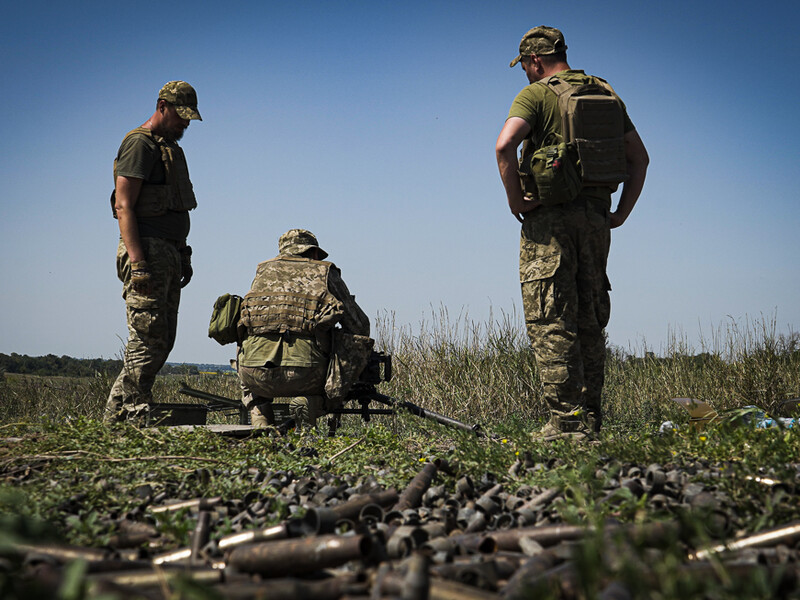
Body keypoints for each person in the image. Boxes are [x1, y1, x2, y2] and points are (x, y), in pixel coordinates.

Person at [495, 26, 649, 440]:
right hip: (597, 221)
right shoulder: (604, 92)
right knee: (589, 319)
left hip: (550, 220)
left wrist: (516, 202)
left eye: (525, 66)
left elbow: (504, 145)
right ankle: (592, 420)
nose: (526, 73)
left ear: (534, 60)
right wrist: (619, 213)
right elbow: (641, 159)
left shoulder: (537, 93)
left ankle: (566, 423)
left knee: (551, 319)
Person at [104, 81, 202, 422]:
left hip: (167, 254)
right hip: (146, 252)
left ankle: (120, 420)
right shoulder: (139, 144)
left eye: (190, 117)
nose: (185, 123)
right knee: (146, 339)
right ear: (162, 106)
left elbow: (175, 208)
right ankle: (127, 417)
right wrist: (139, 263)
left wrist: (182, 252)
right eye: (181, 115)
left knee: (161, 339)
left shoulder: (169, 149)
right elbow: (124, 206)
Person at [237, 229, 372, 429]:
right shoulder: (324, 271)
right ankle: (314, 403)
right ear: (313, 252)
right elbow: (359, 325)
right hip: (305, 375)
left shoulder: (262, 272)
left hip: (254, 374)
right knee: (357, 343)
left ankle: (260, 414)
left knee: (247, 342)